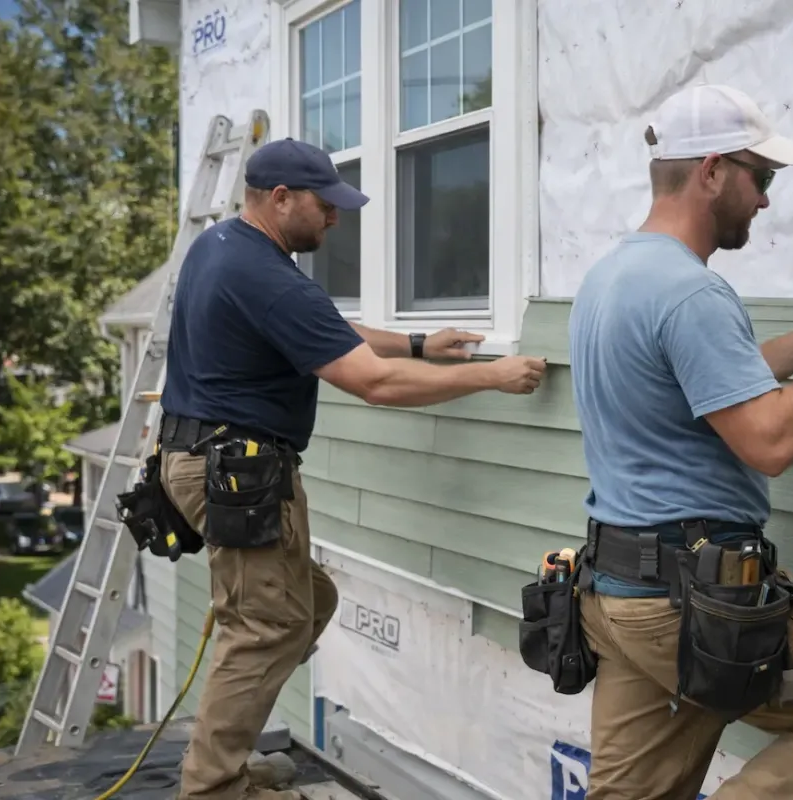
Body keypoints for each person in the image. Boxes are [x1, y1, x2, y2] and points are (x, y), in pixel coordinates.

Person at [157, 137, 547, 800]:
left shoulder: (225, 247)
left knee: (308, 603)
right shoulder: (266, 275)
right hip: (238, 475)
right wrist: (492, 375)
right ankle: (214, 787)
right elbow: (374, 383)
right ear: (280, 199)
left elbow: (327, 330)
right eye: (324, 205)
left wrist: (423, 340)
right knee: (267, 627)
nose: (335, 218)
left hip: (204, 461)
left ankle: (226, 764)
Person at [568, 84, 793, 799]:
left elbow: (706, 387)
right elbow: (770, 441)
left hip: (620, 592)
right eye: (761, 177)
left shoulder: (612, 277)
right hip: (692, 603)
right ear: (712, 171)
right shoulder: (692, 293)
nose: (765, 200)